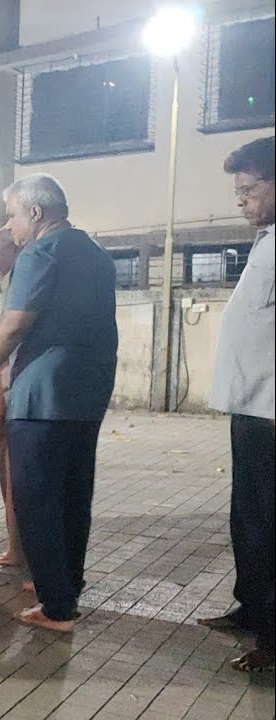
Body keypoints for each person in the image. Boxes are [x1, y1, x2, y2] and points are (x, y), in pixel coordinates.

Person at [0, 173, 117, 633]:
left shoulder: (40, 253)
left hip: (41, 396)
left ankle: (55, 606)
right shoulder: (94, 253)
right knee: (72, 495)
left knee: (36, 499)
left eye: (11, 215)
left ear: (35, 213)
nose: (11, 226)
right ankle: (68, 588)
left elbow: (14, 325)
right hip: (87, 394)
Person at [194, 136, 275, 673]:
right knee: (247, 519)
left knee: (267, 524)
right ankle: (252, 609)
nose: (240, 201)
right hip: (252, 407)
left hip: (272, 412)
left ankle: (272, 643)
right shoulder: (267, 240)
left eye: (249, 189)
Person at [0, 226, 23, 568]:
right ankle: (17, 547)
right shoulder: (13, 282)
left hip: (19, 395)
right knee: (5, 468)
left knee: (14, 473)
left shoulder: (22, 281)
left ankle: (21, 550)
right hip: (7, 392)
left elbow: (9, 340)